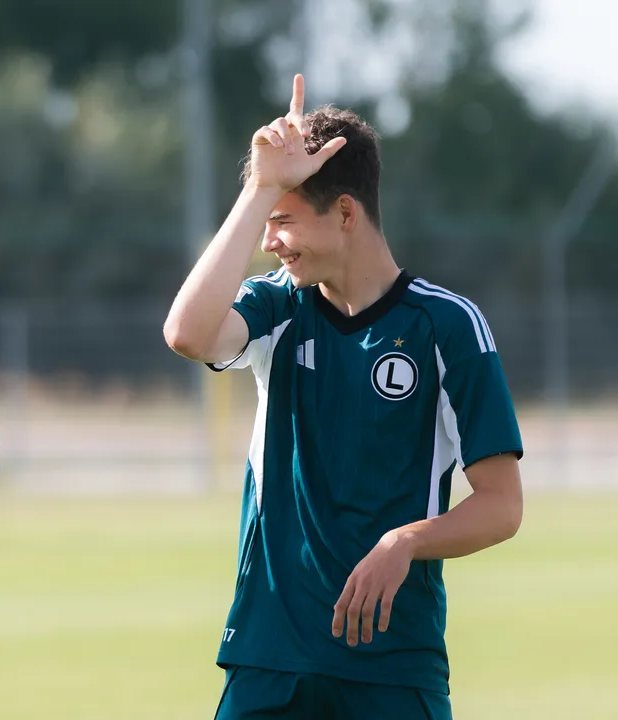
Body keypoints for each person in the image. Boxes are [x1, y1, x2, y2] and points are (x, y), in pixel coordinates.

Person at [163, 74, 523, 720]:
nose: (269, 241)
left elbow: (501, 506)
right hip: (269, 659)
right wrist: (260, 188)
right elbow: (186, 333)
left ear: (347, 213)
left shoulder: (447, 326)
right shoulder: (276, 306)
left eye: (282, 221)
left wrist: (405, 542)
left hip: (392, 664)